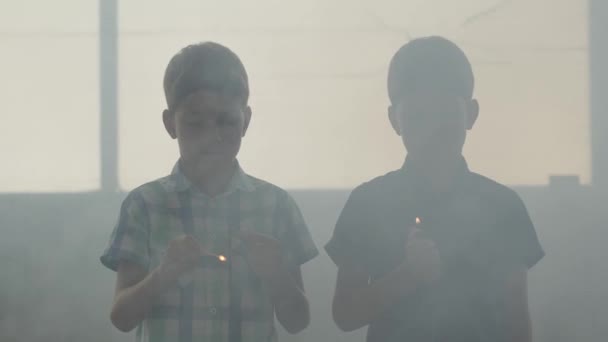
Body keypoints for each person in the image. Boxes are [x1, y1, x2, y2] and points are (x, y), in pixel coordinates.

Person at [325, 36, 544, 342]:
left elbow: (517, 322)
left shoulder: (502, 207)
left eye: (446, 115)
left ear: (471, 114)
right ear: (394, 120)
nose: (432, 130)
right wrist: (407, 277)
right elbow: (345, 315)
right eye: (417, 117)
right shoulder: (368, 203)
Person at [100, 42, 318, 342]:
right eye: (194, 122)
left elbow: (298, 321)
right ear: (169, 124)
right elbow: (121, 317)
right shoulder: (145, 205)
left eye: (226, 121)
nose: (212, 135)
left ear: (247, 121)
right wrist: (164, 274)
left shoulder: (276, 205)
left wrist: (276, 273)